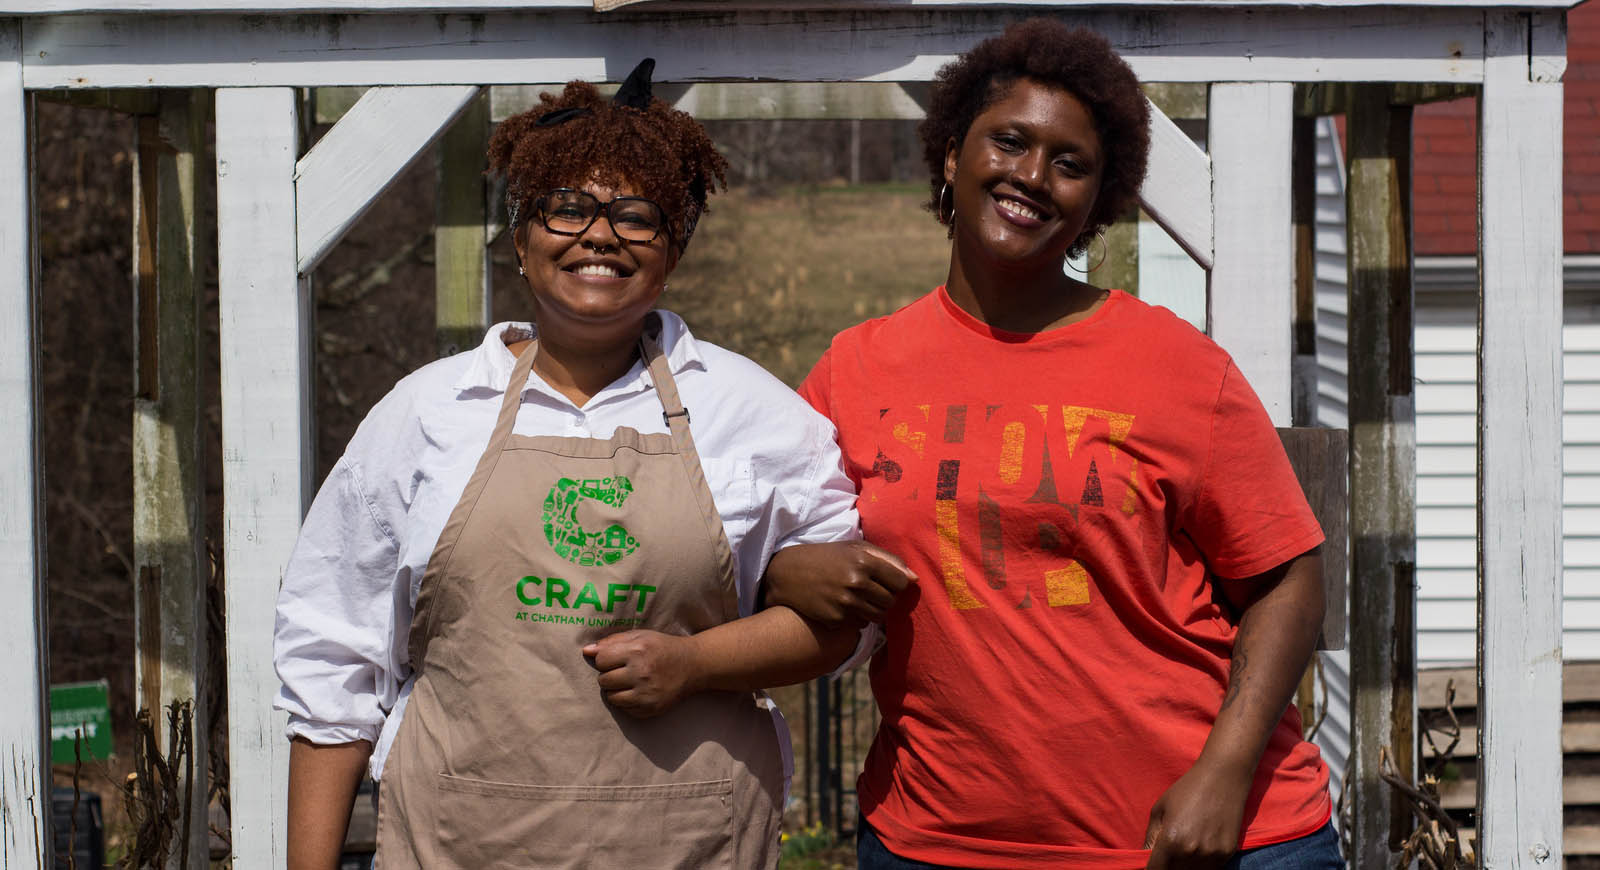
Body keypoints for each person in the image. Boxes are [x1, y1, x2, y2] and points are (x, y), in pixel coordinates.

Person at [763, 20, 1342, 870]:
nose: (1032, 176)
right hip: (942, 840)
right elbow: (766, 544)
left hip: (1202, 840)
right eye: (1011, 142)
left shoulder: (1174, 364)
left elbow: (1289, 575)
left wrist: (1224, 771)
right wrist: (783, 571)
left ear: (1099, 201)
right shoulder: (856, 371)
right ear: (953, 152)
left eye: (1070, 164)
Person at [274, 60, 866, 870]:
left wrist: (697, 665)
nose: (599, 234)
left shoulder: (754, 416)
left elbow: (840, 624)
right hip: (457, 844)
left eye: (637, 215)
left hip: (691, 845)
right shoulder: (426, 413)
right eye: (567, 208)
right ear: (520, 238)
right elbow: (332, 659)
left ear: (674, 249)